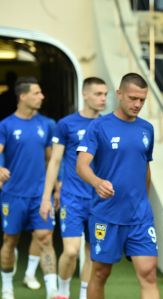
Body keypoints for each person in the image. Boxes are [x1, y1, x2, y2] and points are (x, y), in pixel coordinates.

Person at [76, 73, 159, 299]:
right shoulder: (98, 126)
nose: (137, 104)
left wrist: (143, 202)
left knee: (149, 273)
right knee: (101, 273)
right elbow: (81, 165)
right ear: (119, 94)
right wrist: (97, 182)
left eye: (142, 100)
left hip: (140, 217)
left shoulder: (147, 129)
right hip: (106, 215)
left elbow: (145, 167)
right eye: (133, 98)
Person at [40, 77, 108, 299]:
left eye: (105, 94)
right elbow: (55, 162)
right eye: (98, 94)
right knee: (70, 251)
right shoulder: (66, 124)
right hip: (72, 198)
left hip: (98, 200)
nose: (103, 99)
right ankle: (62, 290)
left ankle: (83, 295)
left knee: (92, 253)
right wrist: (46, 198)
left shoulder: (108, 124)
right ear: (85, 94)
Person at [0, 77, 58, 299]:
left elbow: (51, 161)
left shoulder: (46, 124)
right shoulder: (5, 125)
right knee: (10, 240)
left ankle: (53, 292)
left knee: (45, 237)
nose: (42, 96)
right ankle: (7, 286)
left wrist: (53, 189)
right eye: (36, 92)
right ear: (22, 96)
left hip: (39, 196)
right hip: (12, 195)